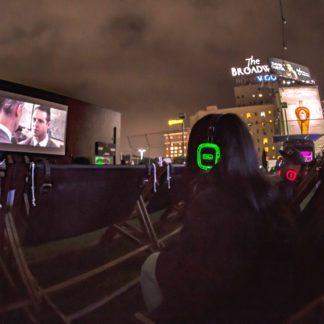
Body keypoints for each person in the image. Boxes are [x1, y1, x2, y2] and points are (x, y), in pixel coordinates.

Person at [141, 113, 296, 323]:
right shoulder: (266, 193)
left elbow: (195, 275)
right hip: (267, 304)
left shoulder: (210, 202)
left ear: (206, 153)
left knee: (150, 264)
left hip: (226, 308)